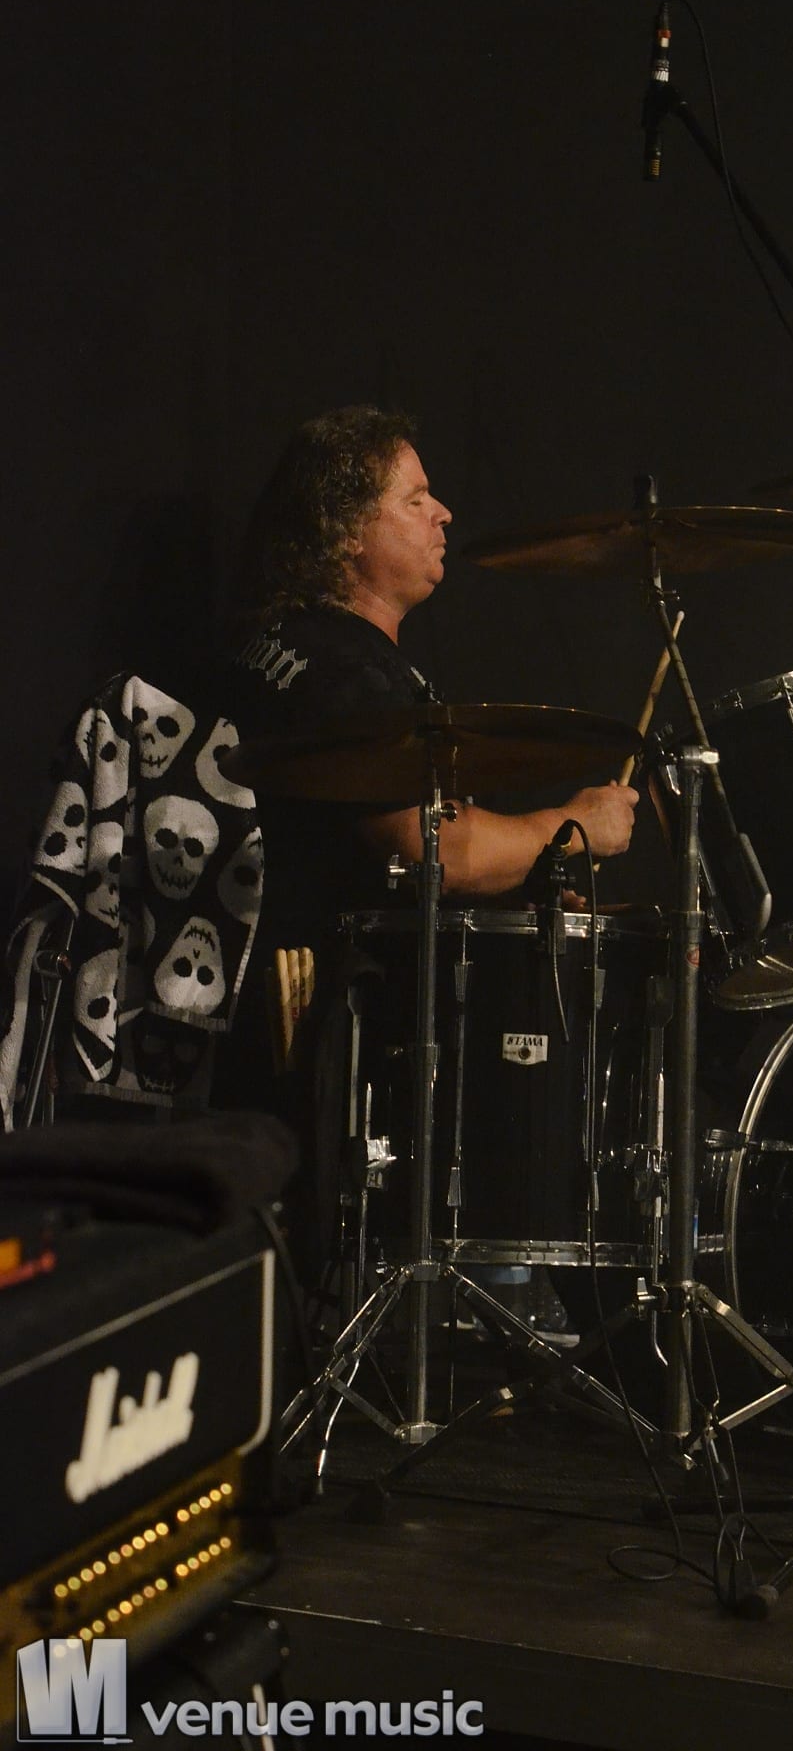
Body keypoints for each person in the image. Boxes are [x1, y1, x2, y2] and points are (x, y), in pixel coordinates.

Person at [214, 406, 640, 1292]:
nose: (443, 513)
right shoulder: (349, 676)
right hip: (311, 1017)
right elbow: (430, 846)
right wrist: (574, 829)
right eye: (415, 499)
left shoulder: (279, 649)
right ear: (345, 531)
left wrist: (524, 880)